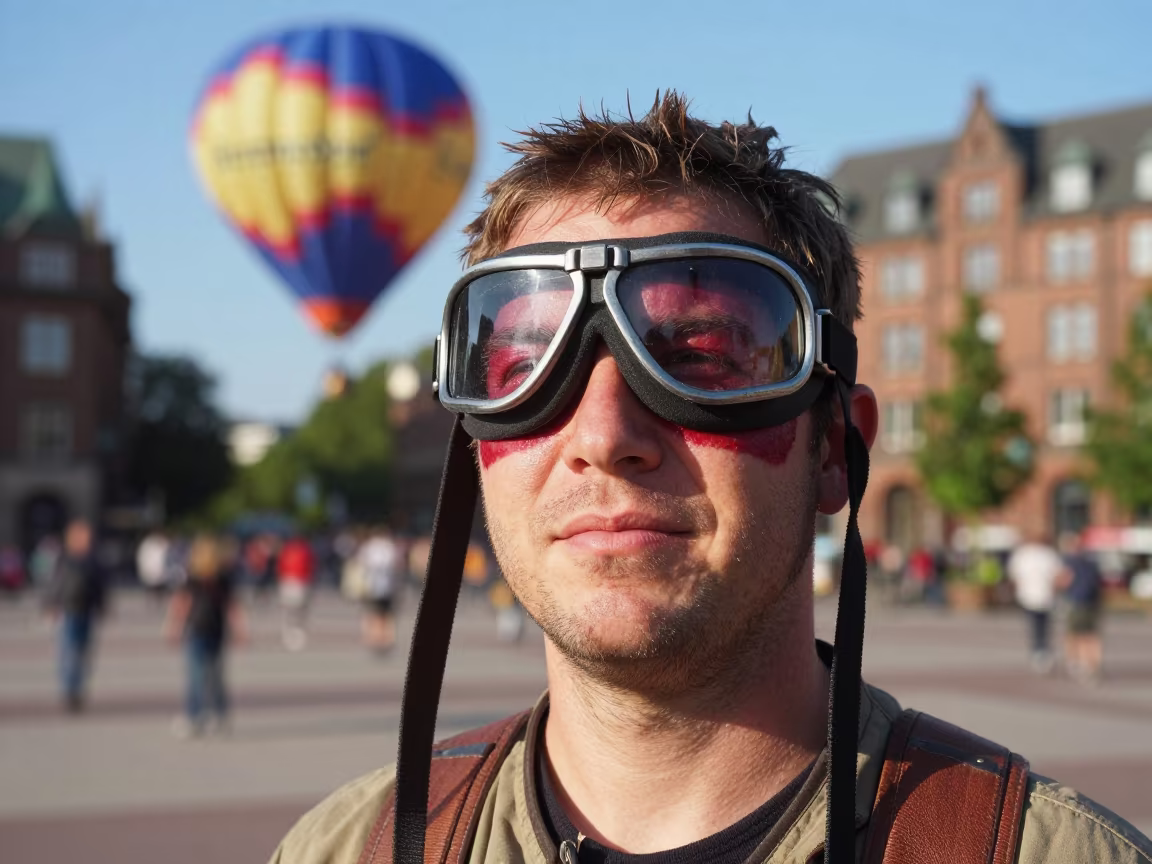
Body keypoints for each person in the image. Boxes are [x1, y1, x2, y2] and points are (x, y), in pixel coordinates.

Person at [271, 94, 1151, 863]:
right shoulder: (347, 849)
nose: (603, 436)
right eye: (526, 369)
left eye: (703, 357)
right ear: (476, 443)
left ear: (836, 449)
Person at [164, 533, 247, 737]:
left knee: (208, 677)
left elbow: (230, 606)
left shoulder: (221, 578)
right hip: (203, 632)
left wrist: (240, 628)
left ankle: (208, 716)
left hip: (208, 631)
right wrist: (174, 627)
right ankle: (204, 716)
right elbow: (182, 604)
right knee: (204, 677)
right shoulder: (194, 578)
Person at [43, 519, 107, 713]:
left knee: (83, 651)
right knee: (69, 650)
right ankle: (70, 689)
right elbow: (55, 584)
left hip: (86, 610)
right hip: (69, 610)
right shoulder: (65, 558)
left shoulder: (93, 559)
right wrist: (51, 604)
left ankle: (77, 687)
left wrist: (102, 605)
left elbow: (99, 587)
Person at [1007, 533, 1064, 674]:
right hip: (1045, 597)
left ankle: (1039, 652)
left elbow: (1014, 576)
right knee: (1044, 626)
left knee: (1035, 626)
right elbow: (1059, 576)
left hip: (1029, 597)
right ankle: (1043, 652)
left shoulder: (1022, 554)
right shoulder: (1048, 554)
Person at [1058, 532, 1104, 684]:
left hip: (1076, 602)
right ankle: (1093, 666)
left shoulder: (1070, 561)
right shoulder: (1092, 561)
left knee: (1076, 635)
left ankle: (1077, 663)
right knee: (1092, 636)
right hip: (1093, 603)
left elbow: (1064, 581)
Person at [356, 528, 400, 653]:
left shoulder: (369, 547)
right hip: (388, 586)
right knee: (386, 614)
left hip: (372, 585)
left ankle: (374, 637)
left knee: (373, 612)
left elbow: (361, 564)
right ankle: (386, 638)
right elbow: (397, 564)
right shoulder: (390, 547)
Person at [277, 534, 314, 651]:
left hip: (289, 581)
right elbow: (310, 566)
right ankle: (297, 634)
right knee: (299, 611)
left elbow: (280, 567)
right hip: (299, 582)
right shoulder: (305, 551)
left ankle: (288, 634)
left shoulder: (286, 551)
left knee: (288, 611)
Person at [136, 529, 170, 607]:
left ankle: (158, 600)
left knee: (159, 587)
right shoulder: (148, 544)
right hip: (151, 569)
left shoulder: (163, 543)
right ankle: (152, 601)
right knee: (151, 586)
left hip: (160, 570)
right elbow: (143, 557)